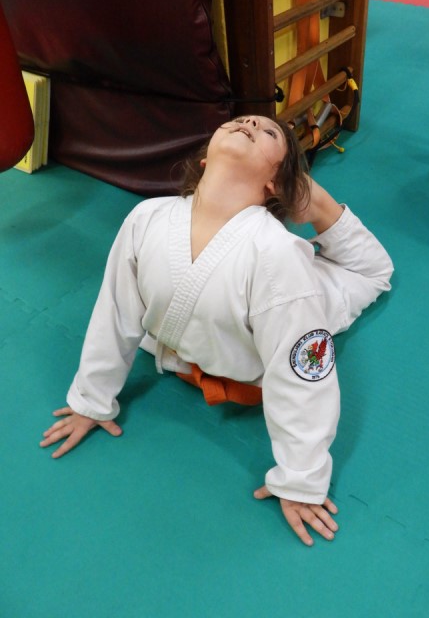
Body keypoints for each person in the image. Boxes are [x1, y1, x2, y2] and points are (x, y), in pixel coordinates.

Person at [40, 114, 394, 545]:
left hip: (287, 305)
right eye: (241, 121)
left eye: (268, 132)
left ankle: (318, 203)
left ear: (275, 183)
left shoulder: (278, 256)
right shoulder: (146, 217)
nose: (251, 123)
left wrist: (301, 479)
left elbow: (303, 377)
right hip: (214, 329)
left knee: (373, 271)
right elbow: (114, 313)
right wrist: (91, 400)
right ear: (206, 158)